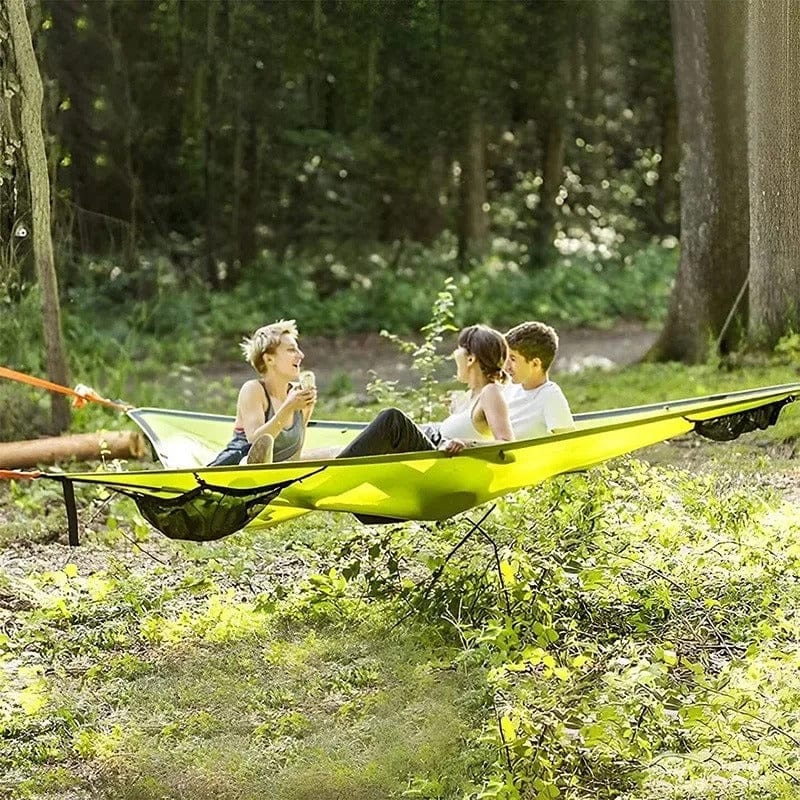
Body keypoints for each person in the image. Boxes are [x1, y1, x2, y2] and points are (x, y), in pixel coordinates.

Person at [334, 324, 513, 459]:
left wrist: (466, 444)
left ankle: (337, 474)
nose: (454, 354)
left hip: (436, 462)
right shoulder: (469, 397)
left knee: (392, 419)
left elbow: (508, 447)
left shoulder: (490, 392)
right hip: (432, 441)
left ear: (471, 358)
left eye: (458, 349)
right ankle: (325, 467)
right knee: (347, 447)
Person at [208, 320, 316, 466]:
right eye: (291, 350)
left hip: (278, 469)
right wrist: (289, 407)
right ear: (269, 359)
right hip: (242, 468)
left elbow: (296, 450)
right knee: (258, 452)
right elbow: (256, 442)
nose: (300, 355)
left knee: (336, 453)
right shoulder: (253, 390)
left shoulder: (297, 395)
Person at [503, 321, 574, 437]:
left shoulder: (550, 396)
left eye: (513, 359)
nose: (506, 366)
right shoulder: (509, 389)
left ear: (535, 364)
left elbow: (568, 444)